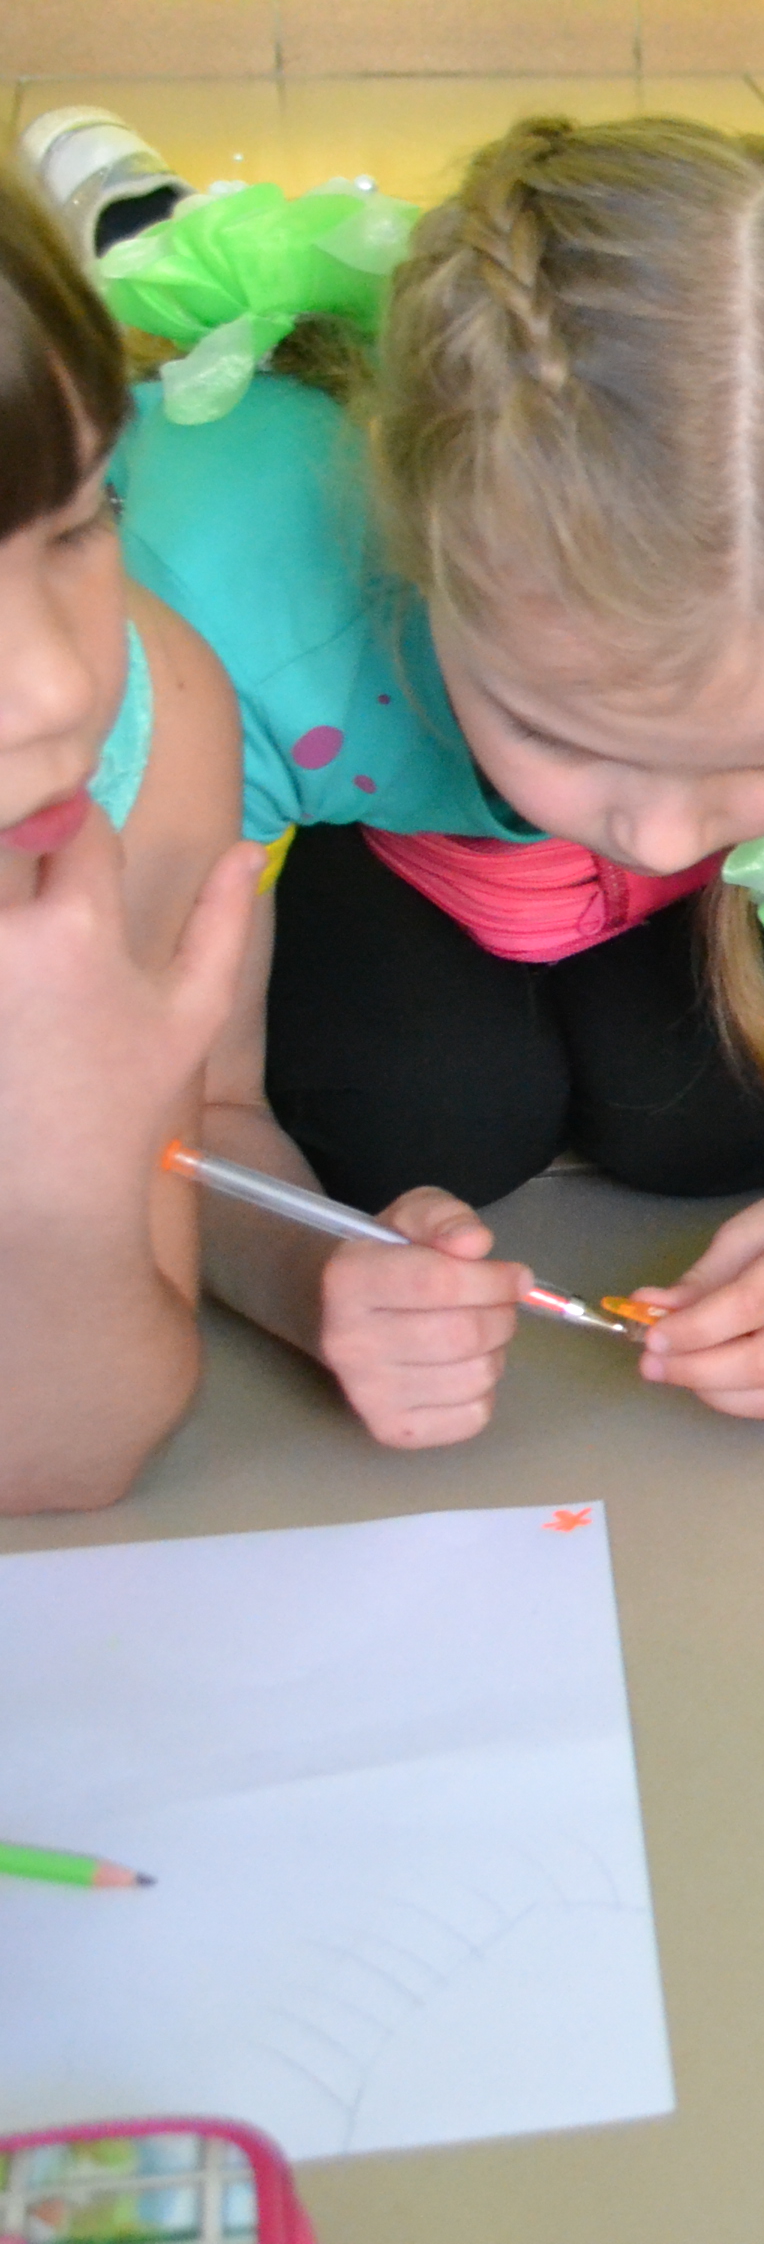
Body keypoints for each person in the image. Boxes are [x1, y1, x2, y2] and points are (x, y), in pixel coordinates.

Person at [102, 117, 764, 1447]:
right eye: (559, 734)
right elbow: (193, 1110)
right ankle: (138, 211)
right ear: (414, 545)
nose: (663, 835)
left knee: (743, 1116)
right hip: (341, 796)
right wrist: (305, 1271)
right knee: (410, 1123)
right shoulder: (224, 604)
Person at [0, 164, 260, 1508]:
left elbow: (79, 1449)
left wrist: (54, 1188)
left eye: (79, 522)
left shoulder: (148, 739)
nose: (57, 686)